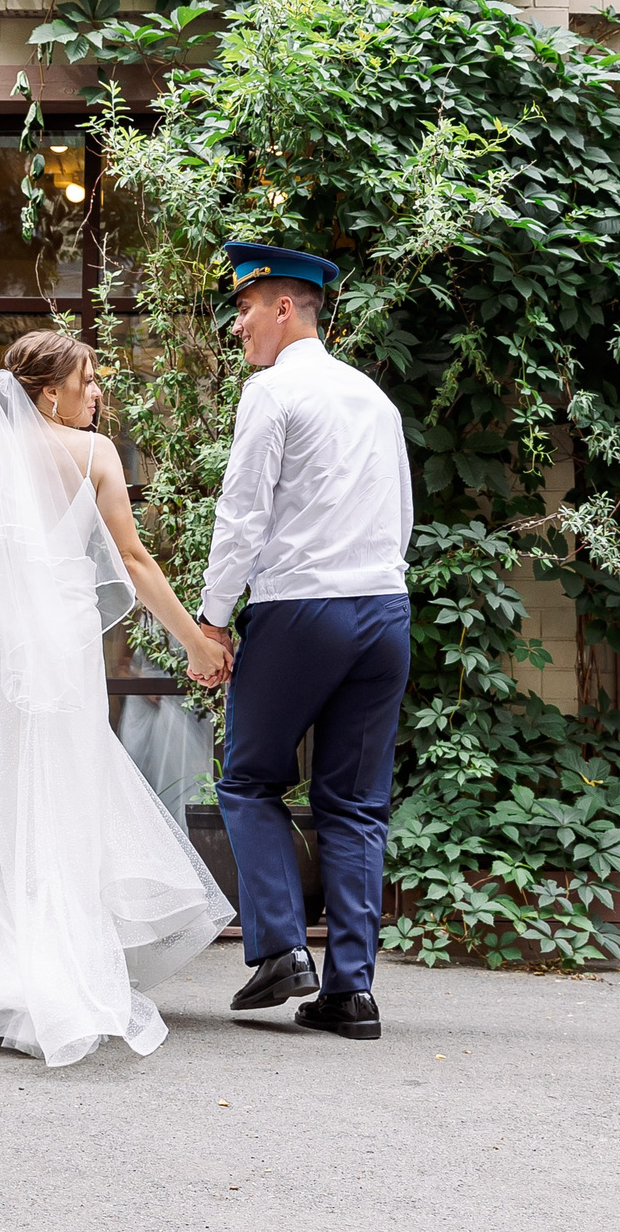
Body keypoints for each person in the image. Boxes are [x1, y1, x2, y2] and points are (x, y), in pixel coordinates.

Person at [0, 330, 235, 1068]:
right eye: (87, 382)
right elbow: (132, 558)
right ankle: (53, 967)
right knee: (57, 789)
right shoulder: (95, 456)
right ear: (47, 391)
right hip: (57, 636)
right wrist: (192, 640)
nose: (97, 394)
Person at [190, 243, 414, 1041]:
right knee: (356, 804)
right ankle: (351, 991)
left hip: (301, 611)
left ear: (285, 307)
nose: (238, 325)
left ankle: (284, 947)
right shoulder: (373, 399)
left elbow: (243, 514)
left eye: (246, 309)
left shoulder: (272, 391)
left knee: (248, 780)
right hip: (385, 610)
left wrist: (212, 620)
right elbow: (403, 519)